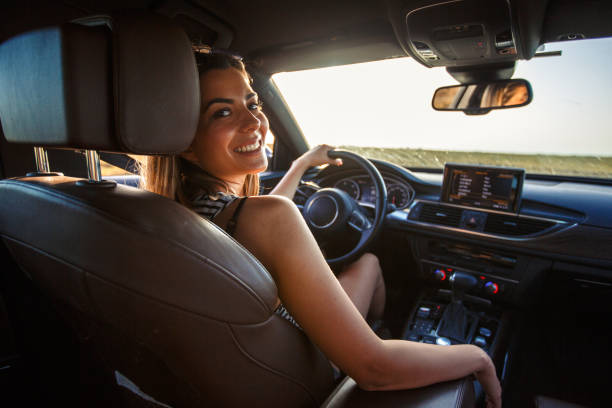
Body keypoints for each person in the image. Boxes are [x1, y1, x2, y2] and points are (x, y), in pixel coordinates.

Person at [139, 52, 502, 408]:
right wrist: (476, 356)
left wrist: (300, 164)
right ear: (186, 142)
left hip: (239, 371)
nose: (253, 122)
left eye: (252, 103)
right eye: (222, 112)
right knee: (371, 262)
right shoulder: (267, 218)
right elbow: (374, 369)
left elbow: (256, 220)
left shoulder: (169, 211)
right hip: (307, 364)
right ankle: (381, 332)